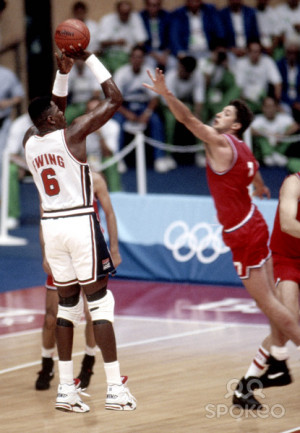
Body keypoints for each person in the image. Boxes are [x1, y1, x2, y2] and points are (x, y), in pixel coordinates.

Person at [143, 67, 300, 409]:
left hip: (242, 234)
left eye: (226, 113)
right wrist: (259, 188)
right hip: (255, 223)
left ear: (236, 125)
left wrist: (166, 94)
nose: (218, 114)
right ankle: (260, 374)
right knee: (272, 305)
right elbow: (255, 171)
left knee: (271, 305)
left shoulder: (219, 143)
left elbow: (187, 121)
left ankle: (282, 361)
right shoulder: (243, 148)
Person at [24, 49, 136, 412]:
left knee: (67, 307)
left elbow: (52, 105)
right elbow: (115, 98)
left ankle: (66, 390)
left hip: (51, 226)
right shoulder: (73, 135)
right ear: (54, 119)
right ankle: (116, 388)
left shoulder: (30, 140)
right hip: (78, 223)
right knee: (101, 302)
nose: (63, 111)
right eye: (59, 111)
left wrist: (62, 73)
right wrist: (88, 57)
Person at [36, 170, 122, 391]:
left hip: (89, 249)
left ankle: (88, 363)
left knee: (94, 312)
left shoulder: (94, 178)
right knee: (51, 316)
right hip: (63, 249)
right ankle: (47, 363)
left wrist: (113, 248)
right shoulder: (53, 178)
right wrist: (45, 253)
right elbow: (43, 217)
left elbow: (110, 214)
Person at [233, 172, 300, 409]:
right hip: (287, 259)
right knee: (289, 321)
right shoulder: (294, 182)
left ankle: (245, 386)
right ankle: (249, 383)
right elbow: (288, 224)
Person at [113, 44, 175, 173]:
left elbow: (155, 98)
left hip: (143, 107)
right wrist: (127, 113)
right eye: (135, 57)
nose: (137, 60)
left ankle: (160, 158)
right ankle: (118, 158)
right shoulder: (121, 73)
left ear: (144, 59)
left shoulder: (148, 71)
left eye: (140, 57)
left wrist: (147, 113)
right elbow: (115, 100)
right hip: (125, 107)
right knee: (116, 124)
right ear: (130, 58)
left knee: (156, 120)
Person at [97, 0, 148, 74]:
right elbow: (101, 42)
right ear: (117, 11)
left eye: (127, 13)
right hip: (110, 54)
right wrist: (115, 42)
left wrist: (132, 49)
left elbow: (141, 41)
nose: (125, 15)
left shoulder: (135, 18)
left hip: (128, 56)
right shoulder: (107, 19)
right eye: (123, 13)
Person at [251, 96, 300, 171]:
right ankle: (269, 154)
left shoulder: (284, 118)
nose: (269, 109)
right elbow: (249, 130)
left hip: (280, 146)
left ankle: (277, 155)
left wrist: (282, 135)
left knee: (289, 131)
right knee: (259, 130)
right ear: (262, 108)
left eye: (271, 106)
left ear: (276, 107)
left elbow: (296, 126)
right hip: (264, 150)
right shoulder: (257, 119)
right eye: (267, 107)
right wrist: (267, 134)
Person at [233, 41, 282, 114]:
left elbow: (277, 83)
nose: (255, 54)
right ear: (247, 52)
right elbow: (238, 86)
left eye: (257, 52)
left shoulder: (267, 61)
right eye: (252, 51)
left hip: (262, 100)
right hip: (245, 100)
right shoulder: (241, 63)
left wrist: (277, 102)